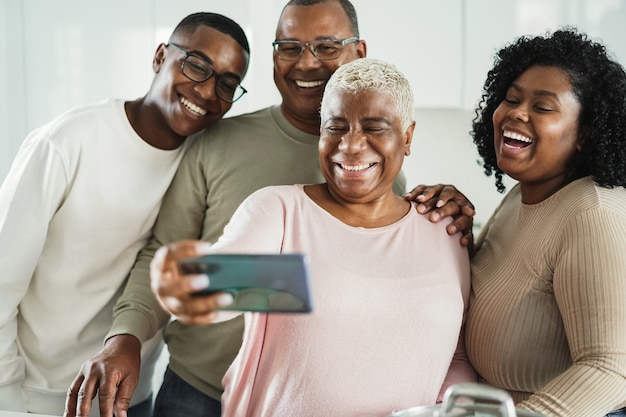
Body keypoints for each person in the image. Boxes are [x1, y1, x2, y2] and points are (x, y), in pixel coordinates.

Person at [64, 2, 475, 417]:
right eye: (290, 46)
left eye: (326, 46)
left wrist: (440, 223)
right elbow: (181, 273)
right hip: (198, 387)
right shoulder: (239, 166)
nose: (306, 63)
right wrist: (126, 336)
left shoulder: (389, 185)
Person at [150, 57, 477, 417]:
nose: (351, 146)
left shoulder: (443, 230)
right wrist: (304, 281)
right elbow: (197, 292)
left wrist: (449, 406)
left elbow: (456, 357)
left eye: (374, 127)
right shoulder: (279, 210)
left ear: (408, 136)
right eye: (336, 127)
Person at [0, 12, 250, 417]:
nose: (206, 92)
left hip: (132, 397)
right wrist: (6, 395)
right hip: (40, 398)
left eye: (226, 83)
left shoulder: (202, 161)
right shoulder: (66, 142)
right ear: (159, 57)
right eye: (197, 66)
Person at [464, 29, 626, 417]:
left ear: (586, 133)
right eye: (512, 98)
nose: (516, 113)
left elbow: (611, 369)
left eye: (543, 106)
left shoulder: (593, 213)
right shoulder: (523, 194)